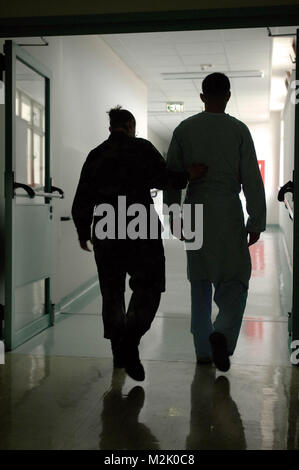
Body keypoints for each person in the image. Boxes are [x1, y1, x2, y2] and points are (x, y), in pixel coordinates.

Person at [72, 106, 206, 382]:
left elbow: (82, 197)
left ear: (111, 127)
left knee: (112, 291)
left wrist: (82, 230)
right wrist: (189, 175)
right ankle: (130, 340)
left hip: (106, 227)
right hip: (139, 224)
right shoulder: (142, 149)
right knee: (149, 286)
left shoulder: (96, 155)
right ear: (131, 125)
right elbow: (165, 179)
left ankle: (118, 351)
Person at [164, 72, 266, 372]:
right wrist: (256, 219)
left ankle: (203, 351)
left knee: (200, 280)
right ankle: (221, 332)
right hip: (227, 210)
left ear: (202, 96)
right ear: (229, 96)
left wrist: (173, 214)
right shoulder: (238, 130)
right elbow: (251, 177)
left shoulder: (184, 129)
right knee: (235, 278)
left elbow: (172, 175)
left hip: (195, 208)